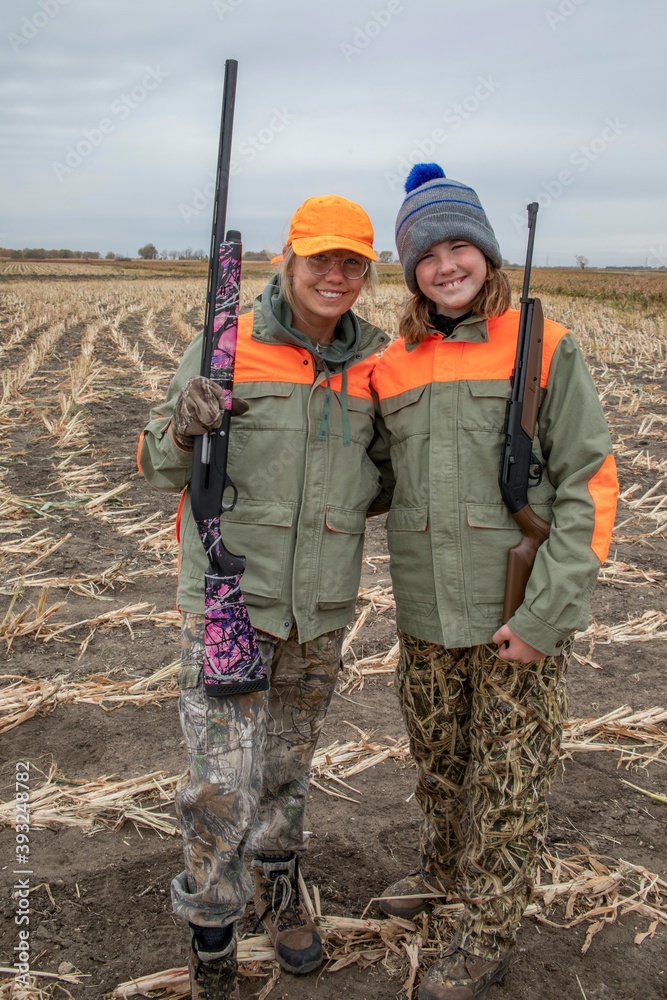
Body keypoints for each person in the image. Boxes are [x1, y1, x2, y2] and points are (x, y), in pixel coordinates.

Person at [371, 164, 618, 1000]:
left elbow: (589, 482)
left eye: (459, 247)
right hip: (424, 610)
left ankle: (486, 930)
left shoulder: (545, 345)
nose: (446, 265)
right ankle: (444, 873)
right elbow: (374, 476)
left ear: (485, 253)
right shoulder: (392, 361)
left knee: (508, 780)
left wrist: (546, 615)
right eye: (427, 254)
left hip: (516, 610)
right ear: (409, 270)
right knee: (439, 764)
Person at [138, 194, 393, 1000]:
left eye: (351, 262)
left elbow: (379, 482)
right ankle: (212, 929)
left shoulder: (374, 364)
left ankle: (280, 892)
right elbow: (156, 464)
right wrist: (184, 425)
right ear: (288, 259)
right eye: (320, 258)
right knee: (218, 782)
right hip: (229, 603)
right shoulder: (225, 349)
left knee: (286, 768)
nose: (334, 274)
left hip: (317, 611)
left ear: (364, 273)